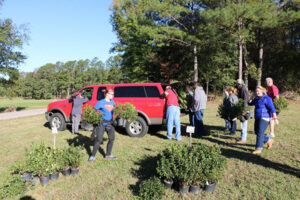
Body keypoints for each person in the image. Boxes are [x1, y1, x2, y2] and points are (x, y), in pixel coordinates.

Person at [248, 86, 279, 154]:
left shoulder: (267, 98)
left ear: (262, 91)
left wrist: (275, 118)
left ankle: (259, 148)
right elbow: (249, 103)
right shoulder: (256, 98)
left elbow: (272, 108)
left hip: (265, 117)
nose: (257, 92)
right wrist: (251, 96)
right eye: (256, 91)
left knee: (260, 133)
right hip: (257, 117)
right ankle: (269, 140)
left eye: (258, 91)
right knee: (257, 132)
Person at [89, 89, 116, 162]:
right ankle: (92, 156)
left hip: (110, 123)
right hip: (102, 124)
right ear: (107, 94)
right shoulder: (100, 102)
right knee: (99, 139)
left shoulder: (113, 102)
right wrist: (95, 119)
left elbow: (115, 111)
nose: (113, 96)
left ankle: (108, 154)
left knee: (112, 139)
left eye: (113, 94)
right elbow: (93, 111)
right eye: (111, 94)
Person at [236, 79, 249, 143]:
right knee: (242, 123)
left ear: (240, 84)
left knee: (244, 123)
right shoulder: (241, 89)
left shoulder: (243, 89)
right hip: (242, 108)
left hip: (244, 108)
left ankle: (243, 139)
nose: (236, 85)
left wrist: (244, 110)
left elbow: (245, 100)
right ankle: (242, 137)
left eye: (237, 84)